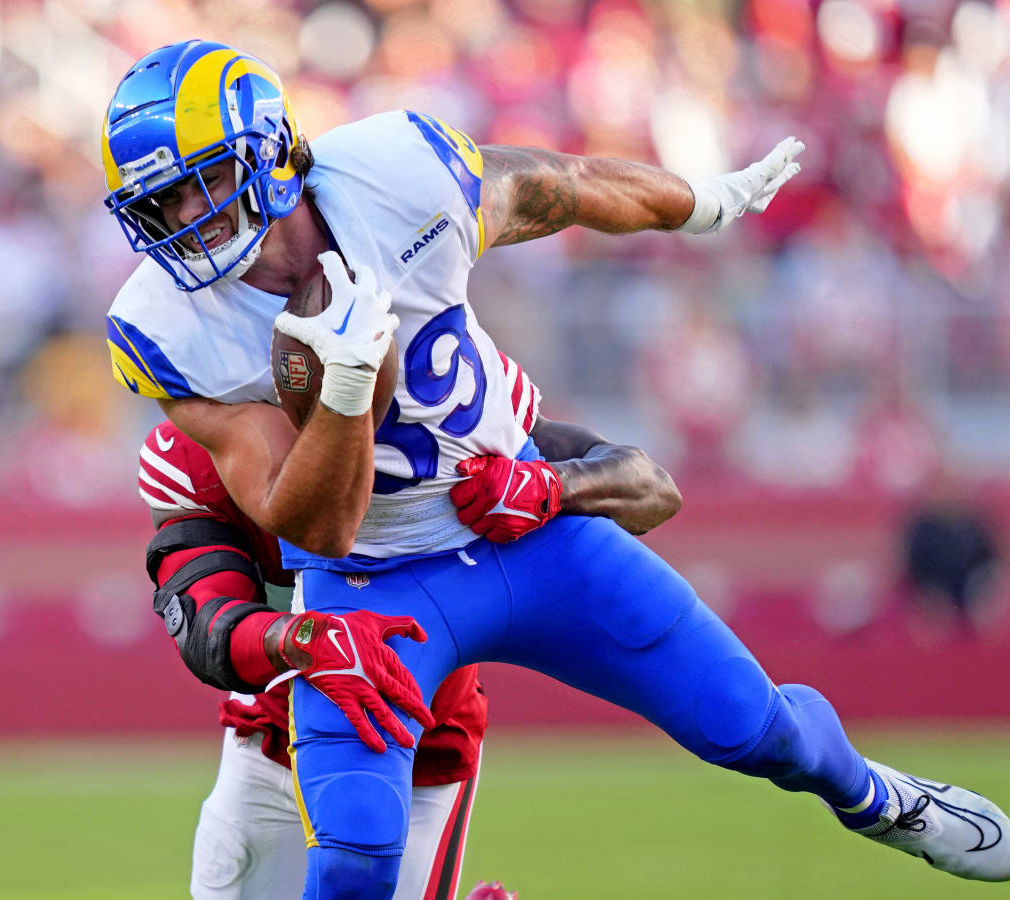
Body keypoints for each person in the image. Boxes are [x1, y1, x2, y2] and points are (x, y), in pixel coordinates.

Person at [101, 41, 1010, 896]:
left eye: (206, 183)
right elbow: (312, 526)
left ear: (270, 153)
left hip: (525, 532)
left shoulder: (399, 176)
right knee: (356, 853)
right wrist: (343, 396)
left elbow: (563, 187)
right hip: (371, 584)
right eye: (165, 205)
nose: (191, 217)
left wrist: (704, 203)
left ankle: (880, 797)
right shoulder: (166, 329)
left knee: (752, 726)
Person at [139, 375, 682, 899]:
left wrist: (553, 486)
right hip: (274, 745)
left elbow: (650, 486)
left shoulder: (451, 402)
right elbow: (204, 627)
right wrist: (302, 637)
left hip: (420, 746)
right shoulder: (201, 449)